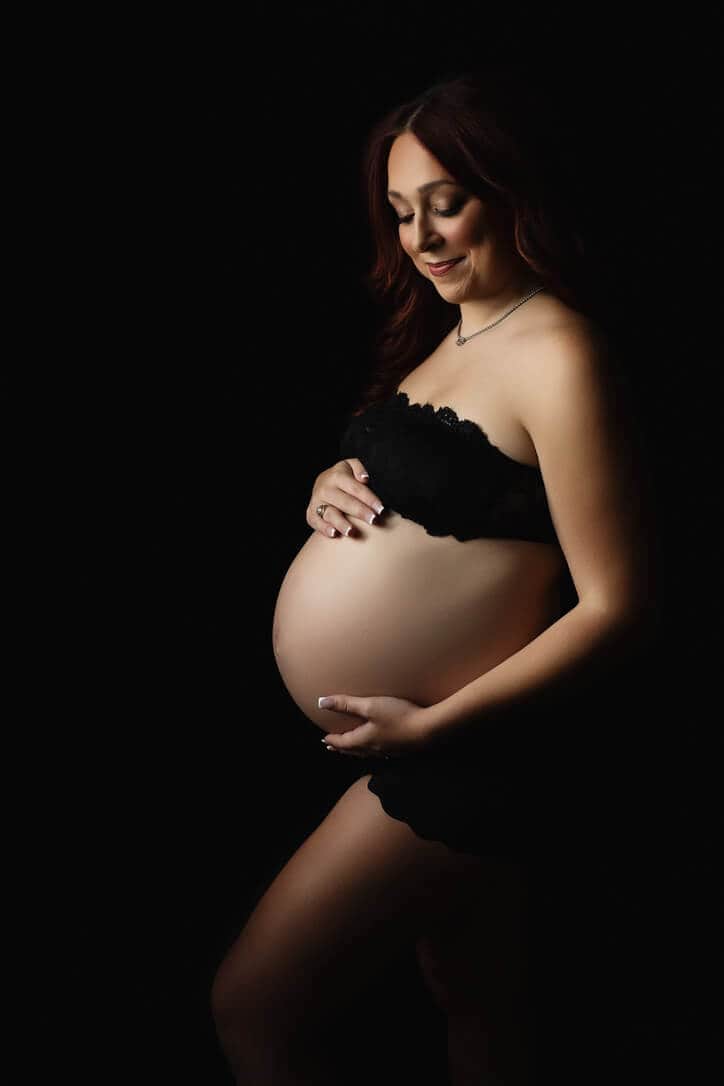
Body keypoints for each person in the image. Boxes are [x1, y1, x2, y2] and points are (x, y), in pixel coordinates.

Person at [211, 69, 657, 1085]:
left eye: (445, 203)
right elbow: (450, 502)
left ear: (509, 191)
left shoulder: (559, 351)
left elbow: (623, 604)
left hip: (472, 747)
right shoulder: (449, 335)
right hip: (435, 743)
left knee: (253, 1006)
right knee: (479, 1004)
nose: (421, 237)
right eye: (402, 211)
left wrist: (432, 729)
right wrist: (329, 485)